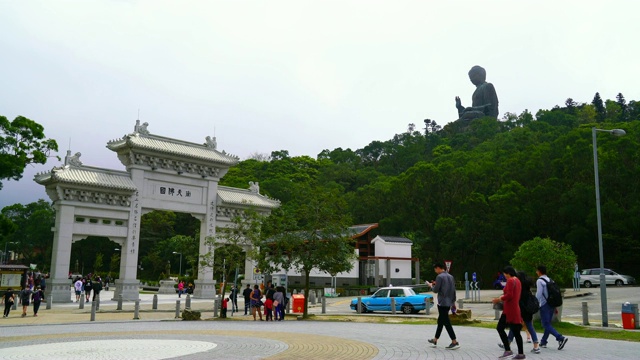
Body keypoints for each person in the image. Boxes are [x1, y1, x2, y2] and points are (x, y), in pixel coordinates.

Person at [498, 271, 540, 354]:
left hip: (520, 309)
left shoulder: (518, 286)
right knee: (528, 326)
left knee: (514, 325)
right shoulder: (527, 287)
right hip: (528, 309)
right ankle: (536, 345)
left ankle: (508, 342)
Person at [492, 266, 525, 359]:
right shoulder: (518, 280)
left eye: (505, 274)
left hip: (509, 309)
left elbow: (509, 295)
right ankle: (520, 353)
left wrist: (499, 299)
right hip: (515, 308)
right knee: (516, 332)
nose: (504, 276)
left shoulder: (510, 281)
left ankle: (508, 350)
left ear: (508, 273)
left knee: (500, 328)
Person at [427, 263, 460, 350]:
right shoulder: (450, 276)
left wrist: (431, 286)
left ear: (438, 268)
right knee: (441, 321)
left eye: (435, 269)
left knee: (446, 322)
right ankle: (435, 339)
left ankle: (454, 341)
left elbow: (435, 290)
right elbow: (453, 290)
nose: (435, 271)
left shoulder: (440, 277)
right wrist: (453, 302)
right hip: (449, 302)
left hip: (442, 302)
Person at [536, 265, 568, 350]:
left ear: (539, 271)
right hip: (552, 304)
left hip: (544, 304)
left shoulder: (540, 281)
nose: (536, 273)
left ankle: (560, 338)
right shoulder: (550, 279)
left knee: (545, 324)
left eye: (537, 271)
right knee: (548, 323)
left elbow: (539, 294)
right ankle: (543, 342)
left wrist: (535, 302)